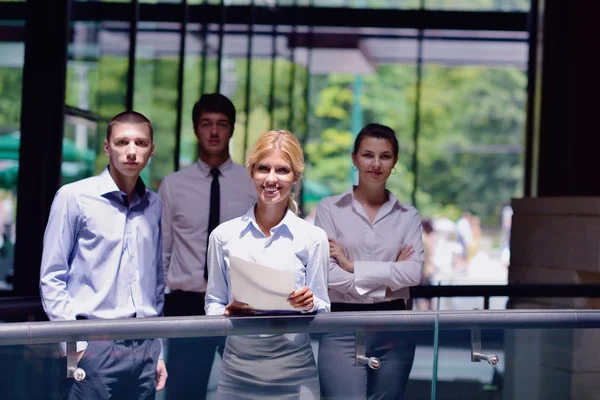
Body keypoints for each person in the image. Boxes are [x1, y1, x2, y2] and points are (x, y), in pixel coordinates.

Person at [39, 111, 167, 399]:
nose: (132, 151)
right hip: (93, 347)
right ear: (107, 147)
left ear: (151, 149)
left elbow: (156, 282)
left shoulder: (154, 204)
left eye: (140, 143)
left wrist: (159, 350)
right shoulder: (73, 197)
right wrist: (76, 347)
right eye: (122, 142)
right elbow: (52, 277)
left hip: (145, 347)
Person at [205, 129, 330, 399]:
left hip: (295, 376)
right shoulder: (223, 236)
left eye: (282, 170)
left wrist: (310, 304)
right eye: (263, 168)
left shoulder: (313, 238)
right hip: (237, 374)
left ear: (295, 177)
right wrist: (225, 312)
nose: (271, 179)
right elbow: (212, 303)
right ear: (251, 172)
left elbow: (324, 306)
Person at [315, 123, 424, 400]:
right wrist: (387, 284)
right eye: (367, 155)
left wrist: (352, 266)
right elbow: (326, 275)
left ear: (394, 162)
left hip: (395, 329)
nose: (376, 164)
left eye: (385, 156)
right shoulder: (330, 209)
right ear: (354, 158)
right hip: (341, 326)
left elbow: (413, 273)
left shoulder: (408, 216)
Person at [158, 93, 256, 399]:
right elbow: (163, 251)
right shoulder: (173, 185)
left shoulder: (252, 183)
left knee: (246, 390)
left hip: (240, 302)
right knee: (184, 391)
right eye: (206, 124)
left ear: (232, 129)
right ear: (195, 129)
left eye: (222, 124)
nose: (214, 132)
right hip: (186, 304)